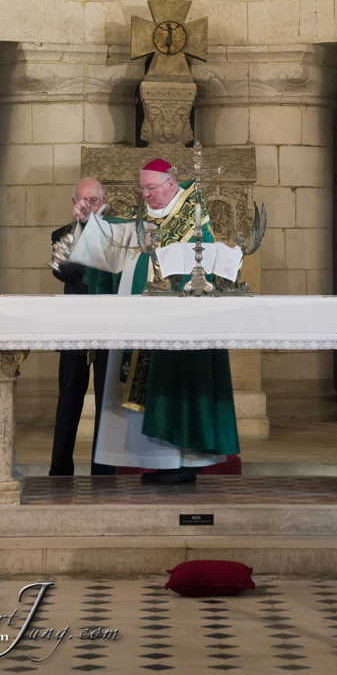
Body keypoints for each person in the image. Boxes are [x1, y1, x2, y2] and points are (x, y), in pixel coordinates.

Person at [68, 158, 239, 484]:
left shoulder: (193, 218)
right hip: (139, 324)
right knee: (141, 393)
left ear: (171, 184)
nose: (145, 194)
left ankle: (182, 463)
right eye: (142, 188)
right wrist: (91, 223)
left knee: (174, 388)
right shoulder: (142, 217)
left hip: (178, 325)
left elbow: (201, 267)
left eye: (151, 188)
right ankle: (159, 462)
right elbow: (112, 246)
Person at [48, 177, 117, 477]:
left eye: (94, 200)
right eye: (82, 200)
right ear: (74, 201)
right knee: (69, 396)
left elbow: (113, 268)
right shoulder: (62, 234)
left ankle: (104, 470)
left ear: (104, 202)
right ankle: (60, 468)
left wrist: (94, 233)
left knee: (107, 397)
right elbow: (64, 272)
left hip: (109, 325)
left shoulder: (116, 233)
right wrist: (79, 234)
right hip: (74, 325)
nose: (88, 206)